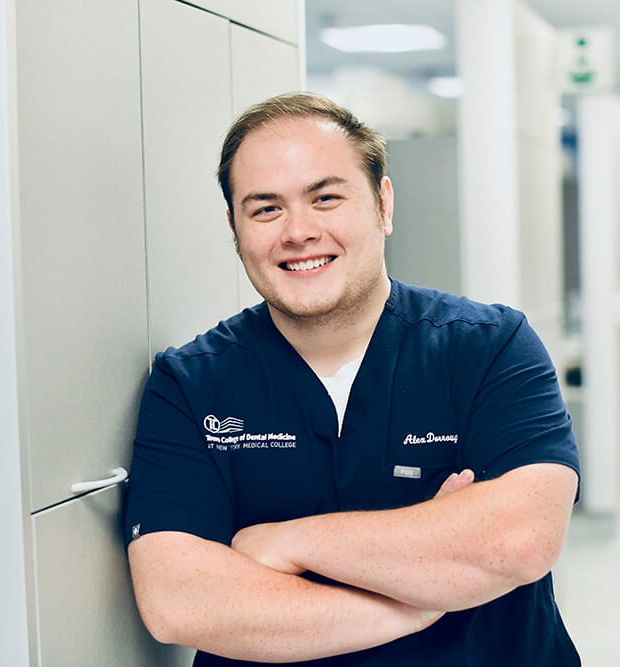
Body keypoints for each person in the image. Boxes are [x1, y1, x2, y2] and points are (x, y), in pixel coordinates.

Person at [124, 92, 582, 666]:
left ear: (383, 205)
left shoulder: (489, 346)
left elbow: (517, 540)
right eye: (265, 209)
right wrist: (417, 602)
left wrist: (283, 542)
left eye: (326, 198)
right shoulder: (190, 383)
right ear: (235, 228)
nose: (298, 231)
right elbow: (180, 601)